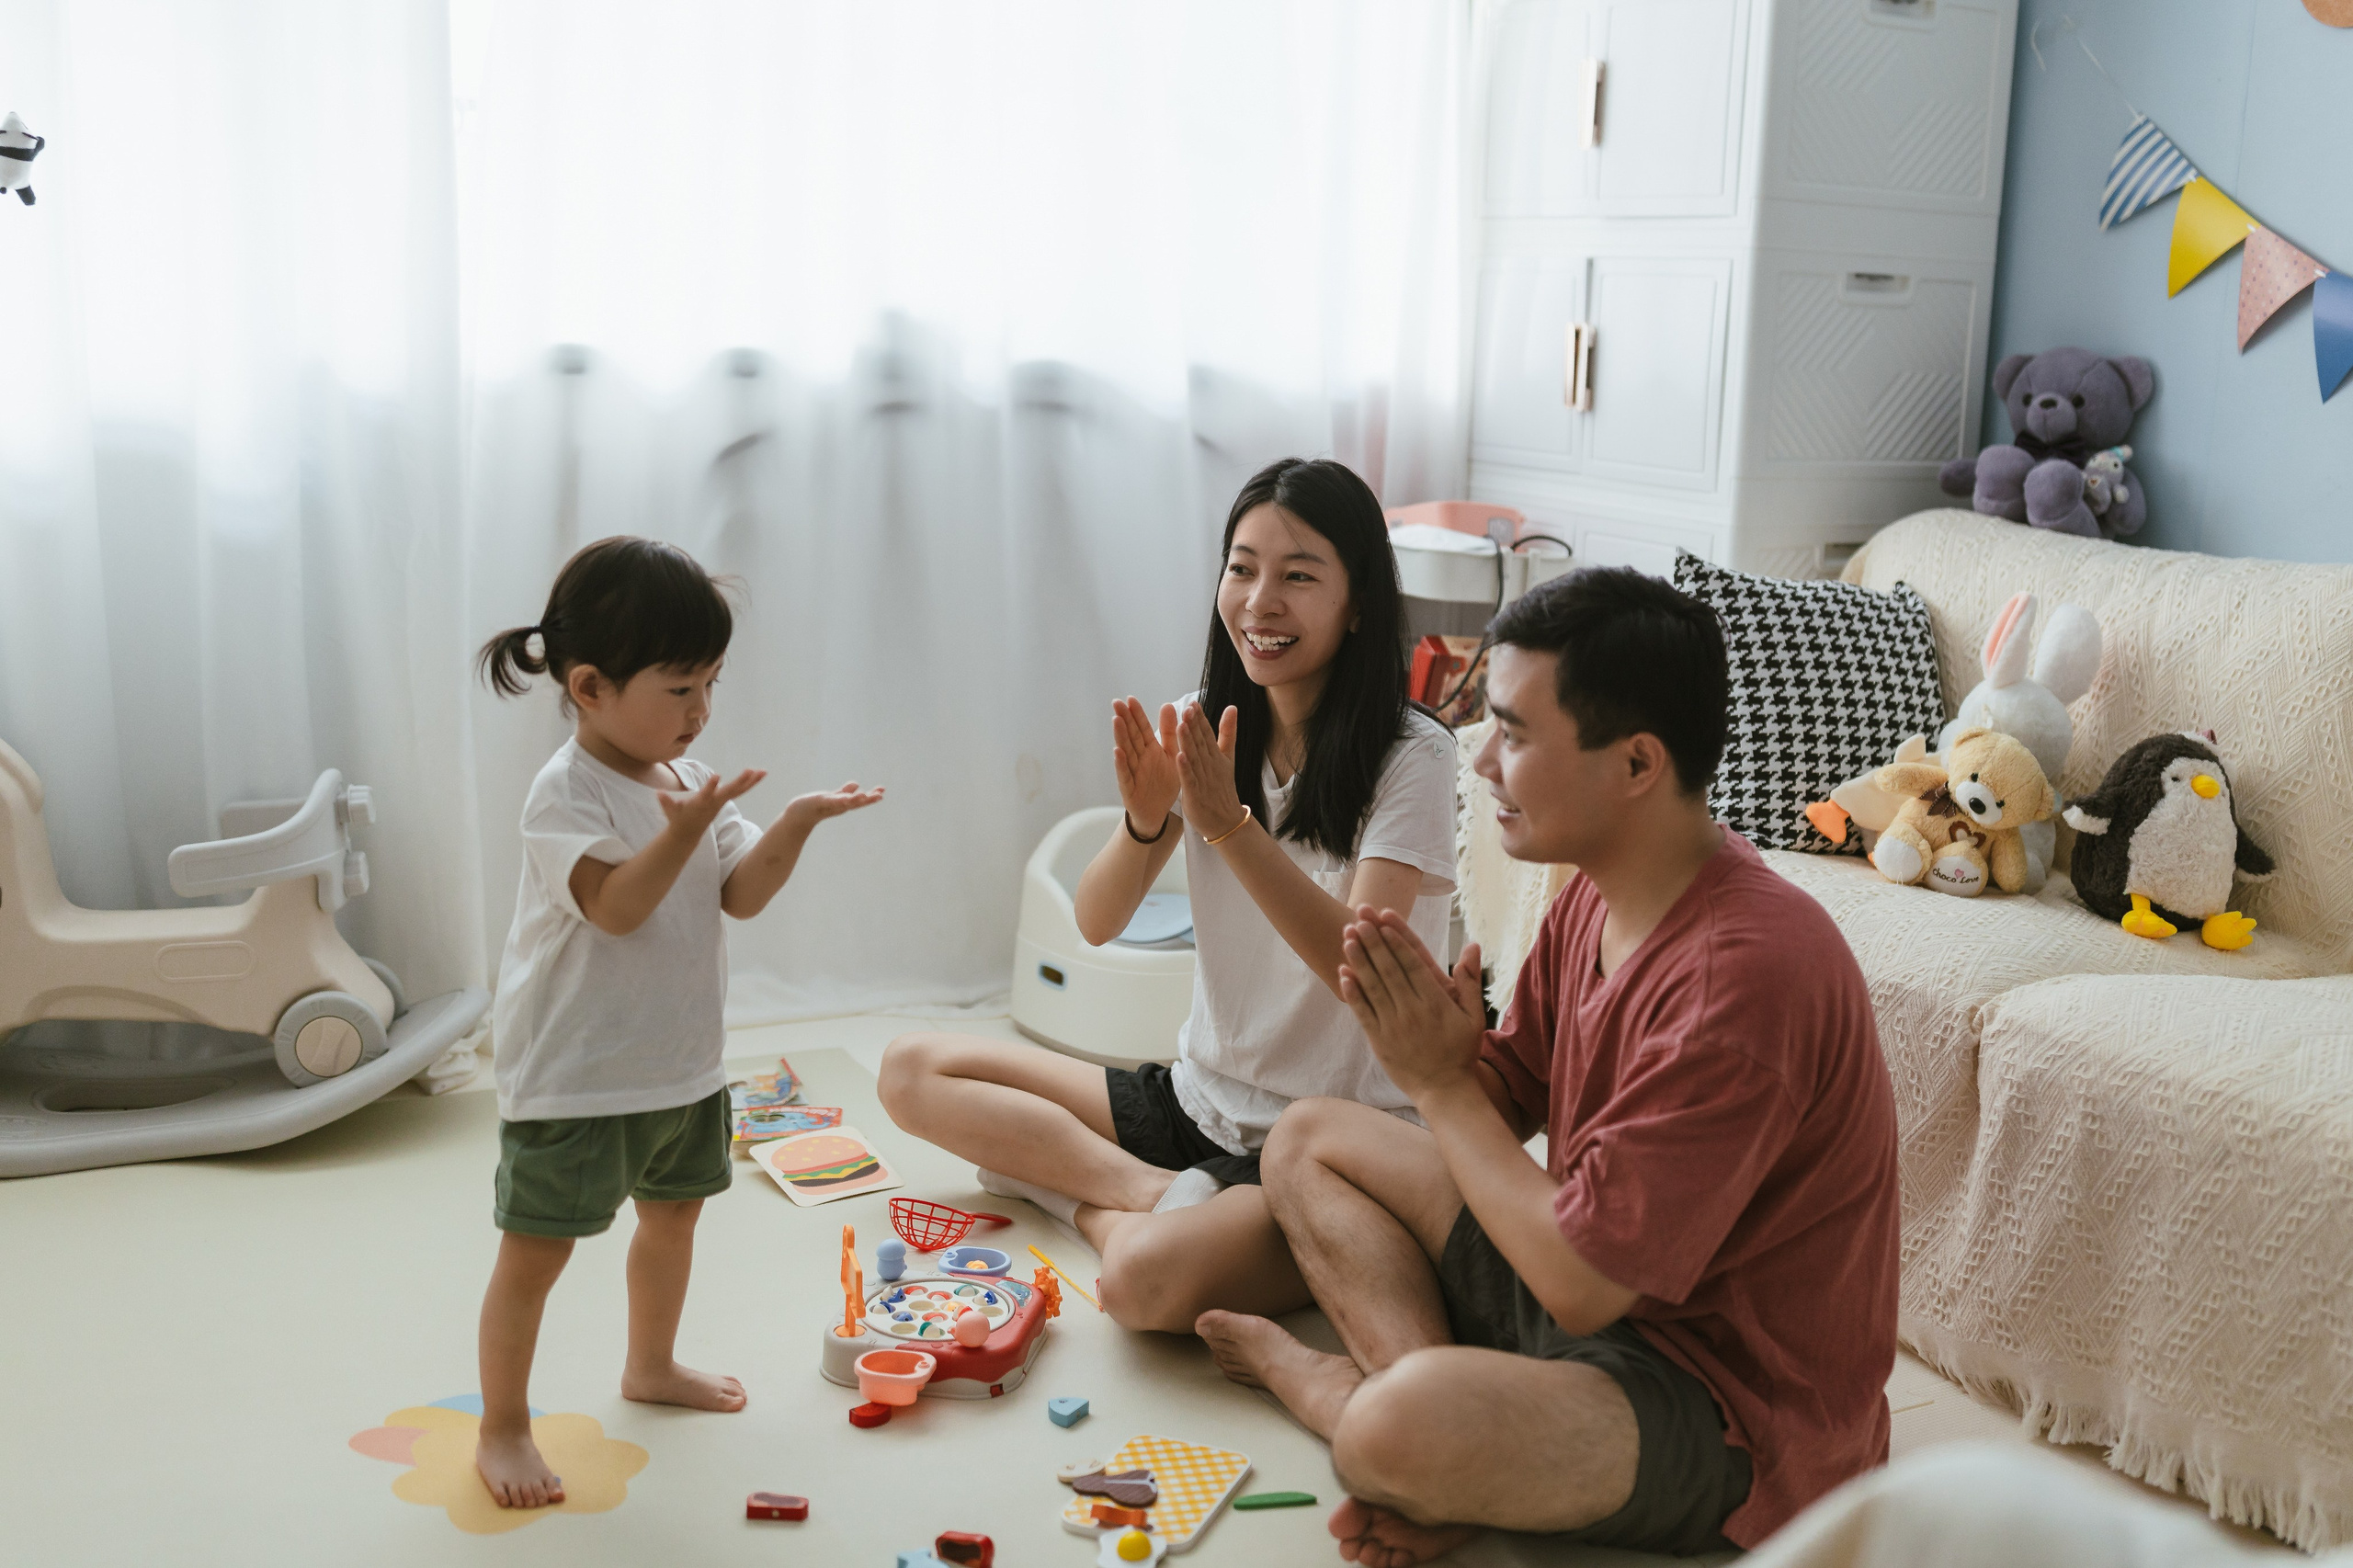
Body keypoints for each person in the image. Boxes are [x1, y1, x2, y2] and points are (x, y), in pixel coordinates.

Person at [1197, 566, 1901, 1566]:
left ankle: (1344, 1398)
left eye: (1514, 733)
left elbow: (1581, 1283)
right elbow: (1507, 1095)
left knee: (1389, 1430)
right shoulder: (1597, 890)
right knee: (1311, 1134)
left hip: (1730, 1412)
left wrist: (1436, 1083)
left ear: (1637, 763)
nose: (1481, 760)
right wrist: (1445, 1054)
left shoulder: (1741, 982)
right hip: (1595, 1291)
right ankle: (1443, 1423)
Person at [878, 458, 1458, 1331]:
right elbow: (1096, 921)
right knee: (908, 1070)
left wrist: (1229, 828)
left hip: (1331, 1150)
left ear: (1360, 602)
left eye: (1299, 576)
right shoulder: (1204, 718)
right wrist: (1146, 822)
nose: (1260, 601)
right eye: (1242, 566)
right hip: (1198, 1101)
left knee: (1143, 1287)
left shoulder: (1413, 754)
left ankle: (1071, 1193)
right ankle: (1146, 1190)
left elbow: (1357, 970)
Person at [470, 537, 883, 1508]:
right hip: (576, 1076)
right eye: (679, 688)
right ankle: (502, 1423)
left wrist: (793, 825)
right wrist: (688, 825)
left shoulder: (676, 779)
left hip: (680, 1068)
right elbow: (617, 906)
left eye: (711, 685)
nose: (700, 712)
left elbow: (739, 895)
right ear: (589, 686)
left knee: (674, 1217)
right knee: (536, 1254)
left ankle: (649, 1364)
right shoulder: (565, 791)